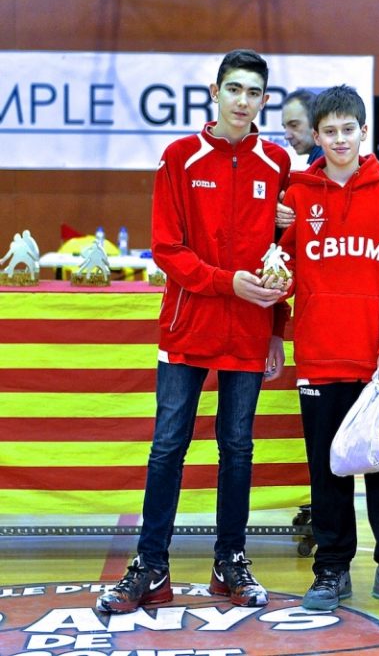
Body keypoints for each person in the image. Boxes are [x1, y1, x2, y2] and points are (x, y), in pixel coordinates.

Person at [97, 49, 291, 614]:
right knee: (168, 447)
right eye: (234, 89)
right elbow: (167, 249)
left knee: (238, 448)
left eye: (253, 93)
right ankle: (151, 566)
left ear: (264, 100)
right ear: (214, 92)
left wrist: (276, 329)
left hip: (250, 331)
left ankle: (230, 561)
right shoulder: (180, 157)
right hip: (188, 327)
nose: (242, 101)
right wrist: (228, 282)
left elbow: (284, 256)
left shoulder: (277, 162)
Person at [278, 85, 379, 611]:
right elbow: (282, 270)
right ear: (316, 136)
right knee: (328, 472)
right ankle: (331, 570)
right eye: (330, 131)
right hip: (319, 356)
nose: (340, 139)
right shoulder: (298, 195)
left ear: (364, 131)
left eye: (349, 129)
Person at [282, 88, 323, 165]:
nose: (286, 136)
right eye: (285, 127)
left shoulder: (327, 164)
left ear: (315, 122)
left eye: (294, 125)